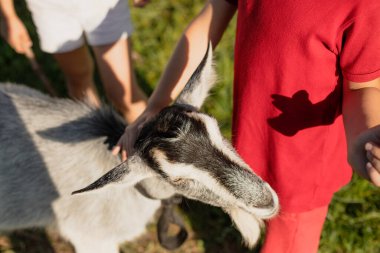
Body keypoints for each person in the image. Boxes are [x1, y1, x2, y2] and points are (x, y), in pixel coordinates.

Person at [112, 0, 380, 252]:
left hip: (303, 159)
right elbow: (211, 19)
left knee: (288, 237)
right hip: (248, 134)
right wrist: (158, 103)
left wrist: (366, 135)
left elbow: (363, 85)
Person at [0, 0, 149, 123]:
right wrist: (8, 16)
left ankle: (156, 150)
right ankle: (97, 145)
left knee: (124, 94)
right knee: (78, 81)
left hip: (103, 5)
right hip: (49, 7)